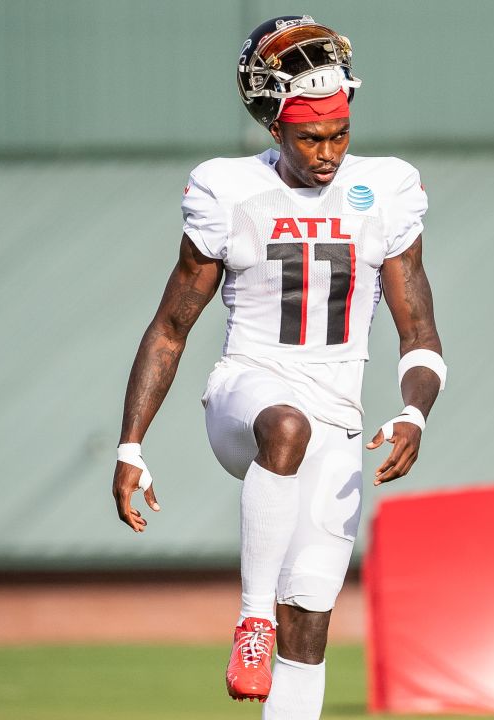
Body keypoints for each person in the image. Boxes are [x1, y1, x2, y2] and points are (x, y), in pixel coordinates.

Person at [109, 16, 446, 719]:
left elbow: (419, 332)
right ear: (274, 130)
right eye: (309, 137)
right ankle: (251, 619)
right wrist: (131, 444)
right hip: (247, 394)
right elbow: (172, 328)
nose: (327, 154)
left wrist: (415, 411)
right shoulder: (228, 191)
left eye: (339, 135)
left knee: (313, 619)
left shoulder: (384, 190)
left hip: (340, 415)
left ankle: (280, 639)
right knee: (284, 427)